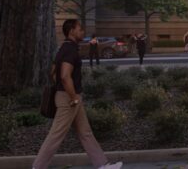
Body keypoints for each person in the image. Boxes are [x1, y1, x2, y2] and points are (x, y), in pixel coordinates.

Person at [33, 19, 123, 169]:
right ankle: (38, 166)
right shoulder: (70, 50)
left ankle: (103, 165)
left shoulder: (64, 48)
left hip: (69, 97)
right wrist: (73, 96)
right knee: (56, 134)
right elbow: (64, 75)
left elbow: (53, 72)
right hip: (69, 99)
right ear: (71, 31)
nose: (83, 31)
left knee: (85, 133)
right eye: (80, 28)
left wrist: (65, 91)